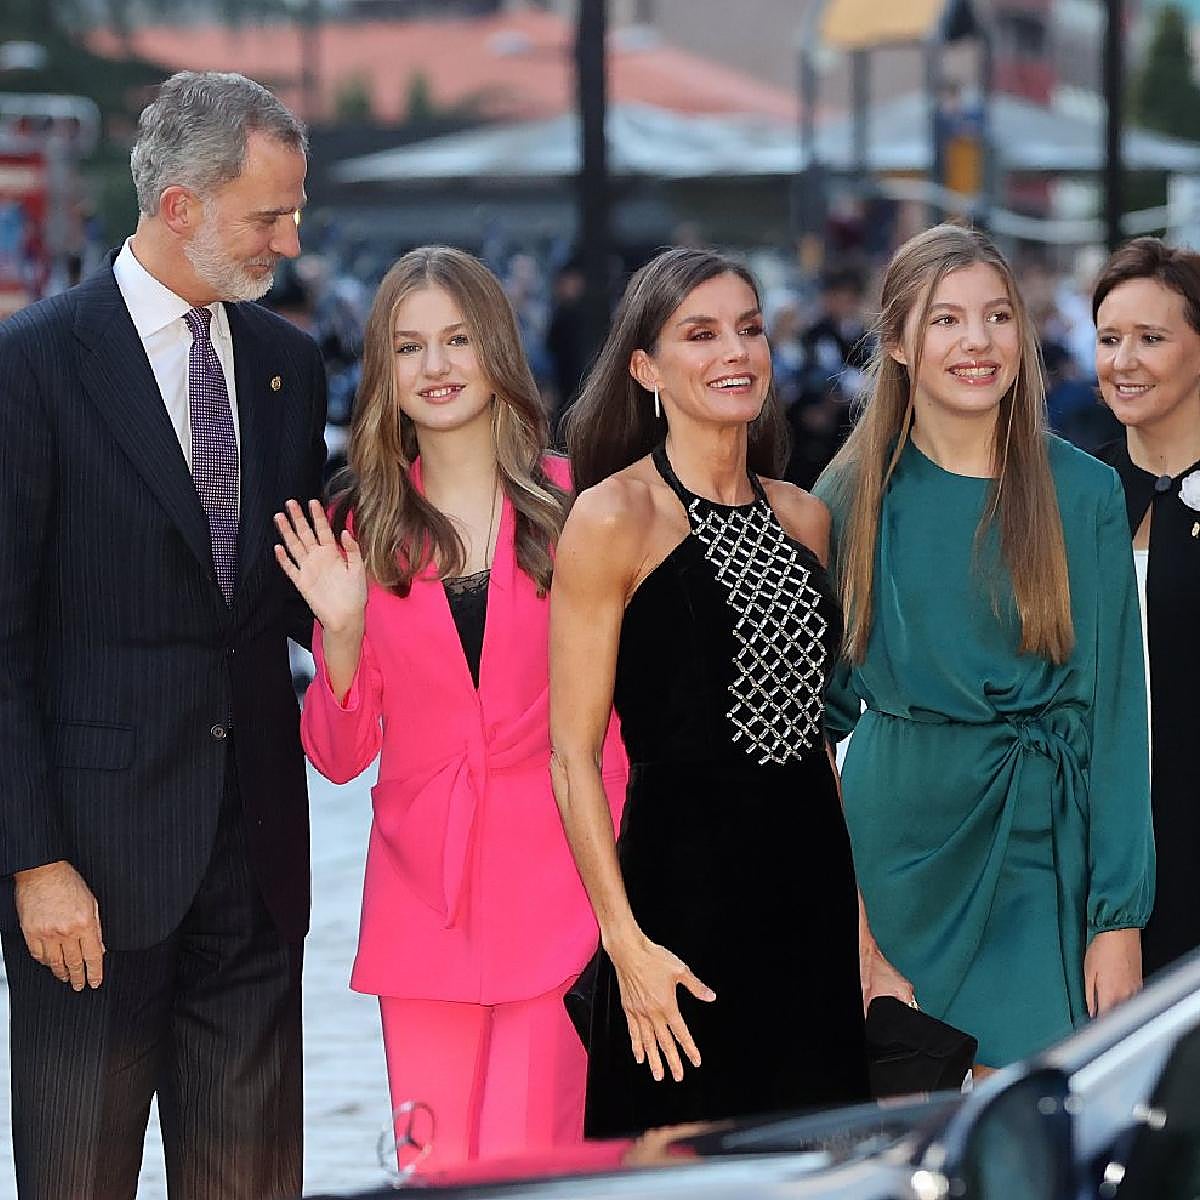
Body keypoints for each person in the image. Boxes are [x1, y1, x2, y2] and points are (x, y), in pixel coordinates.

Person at [0, 72, 324, 1198]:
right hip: (86, 878)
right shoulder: (33, 363)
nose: (292, 236)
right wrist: (35, 862)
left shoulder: (291, 365)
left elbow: (293, 588)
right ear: (180, 204)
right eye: (269, 214)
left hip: (258, 867)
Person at [276, 246, 627, 1174]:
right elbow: (343, 757)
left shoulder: (577, 505)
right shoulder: (361, 525)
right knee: (433, 1172)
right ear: (383, 372)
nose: (434, 367)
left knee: (539, 1165)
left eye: (457, 340)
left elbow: (618, 730)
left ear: (498, 353)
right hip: (423, 908)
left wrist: (621, 899)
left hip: (565, 897)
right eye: (409, 347)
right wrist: (339, 636)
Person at [549, 247, 874, 1140]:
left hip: (808, 898)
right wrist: (626, 946)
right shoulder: (612, 518)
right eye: (701, 334)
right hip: (676, 910)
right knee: (675, 1164)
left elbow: (813, 741)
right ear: (646, 368)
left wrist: (863, 939)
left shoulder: (806, 516)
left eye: (749, 329)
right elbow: (571, 757)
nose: (735, 352)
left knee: (818, 1168)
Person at [814, 224, 1154, 1070]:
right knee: (904, 1136)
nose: (978, 342)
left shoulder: (1085, 491)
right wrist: (847, 920)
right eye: (945, 320)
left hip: (1045, 856)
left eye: (998, 316)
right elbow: (812, 721)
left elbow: (1116, 718)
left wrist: (1117, 917)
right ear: (896, 342)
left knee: (1029, 1136)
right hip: (894, 864)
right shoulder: (849, 494)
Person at [1093, 238, 1200, 976]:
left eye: (1151, 338)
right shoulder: (1074, 495)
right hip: (1100, 865)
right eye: (1109, 338)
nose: (1124, 361)